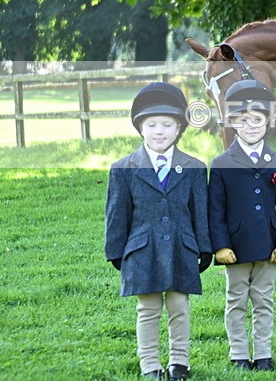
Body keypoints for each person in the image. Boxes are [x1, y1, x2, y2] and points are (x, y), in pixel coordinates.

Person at [105, 82, 212, 380]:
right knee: (148, 308)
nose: (159, 131)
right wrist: (116, 251)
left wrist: (204, 247)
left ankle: (179, 362)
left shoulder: (193, 167)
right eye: (151, 125)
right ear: (141, 128)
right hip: (143, 250)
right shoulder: (123, 168)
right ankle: (150, 364)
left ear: (179, 129)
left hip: (181, 247)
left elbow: (200, 211)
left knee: (179, 306)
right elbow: (116, 215)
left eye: (167, 125)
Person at [208, 80, 276, 372]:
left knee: (263, 300)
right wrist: (221, 245)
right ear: (232, 123)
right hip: (236, 246)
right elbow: (215, 210)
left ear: (268, 122)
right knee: (236, 301)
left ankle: (263, 354)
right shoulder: (221, 163)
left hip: (269, 246)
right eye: (243, 120)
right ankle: (238, 354)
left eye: (257, 119)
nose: (250, 126)